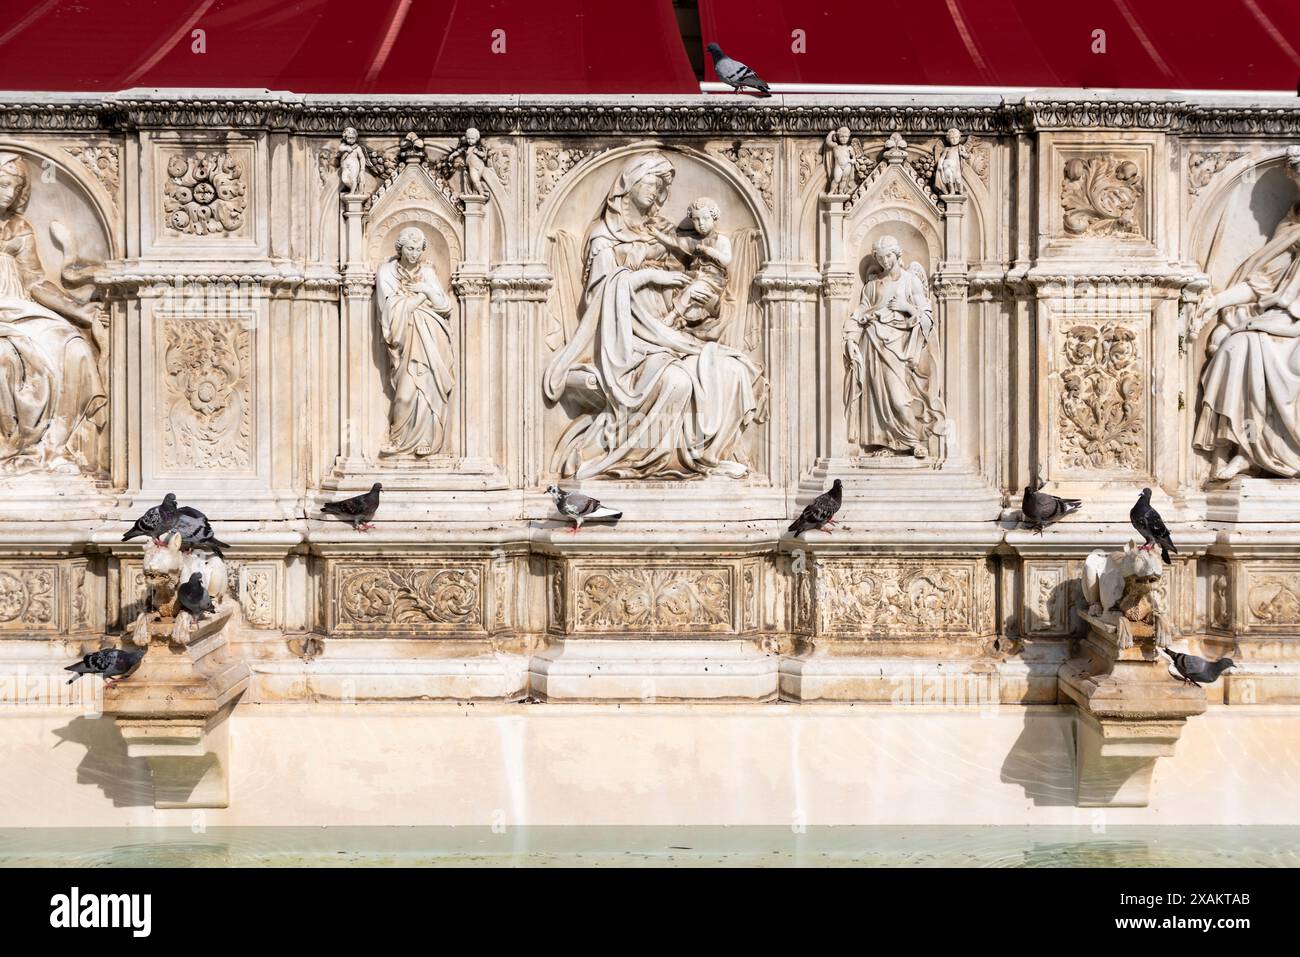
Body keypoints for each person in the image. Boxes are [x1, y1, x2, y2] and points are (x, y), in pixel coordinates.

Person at [543, 151, 765, 479]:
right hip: (626, 340)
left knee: (733, 370)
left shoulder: (662, 232)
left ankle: (710, 456)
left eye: (661, 184)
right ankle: (655, 459)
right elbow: (600, 299)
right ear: (628, 184)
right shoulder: (602, 237)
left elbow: (695, 283)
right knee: (675, 380)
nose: (657, 188)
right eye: (651, 180)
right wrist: (649, 276)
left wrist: (704, 304)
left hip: (672, 332)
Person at [1193, 146, 1300, 480]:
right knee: (1234, 345)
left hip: (1289, 324)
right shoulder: (1294, 223)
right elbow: (1262, 281)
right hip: (1285, 318)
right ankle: (1246, 449)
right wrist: (1216, 302)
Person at [0, 152, 106, 472]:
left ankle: (55, 444)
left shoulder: (19, 227)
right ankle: (13, 444)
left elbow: (35, 282)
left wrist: (81, 313)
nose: (6, 192)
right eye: (1, 183)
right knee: (4, 355)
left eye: (12, 186)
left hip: (17, 307)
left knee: (73, 345)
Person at [843, 235, 945, 458]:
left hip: (900, 347)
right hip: (873, 343)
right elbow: (860, 311)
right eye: (880, 258)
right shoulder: (872, 286)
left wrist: (906, 307)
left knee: (899, 399)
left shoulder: (910, 281)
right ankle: (885, 443)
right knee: (878, 397)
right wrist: (851, 338)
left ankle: (913, 440)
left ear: (897, 254)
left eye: (888, 256)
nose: (885, 262)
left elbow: (926, 315)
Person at [375, 227, 455, 458]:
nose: (413, 254)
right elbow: (389, 309)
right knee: (404, 394)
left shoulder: (428, 273)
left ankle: (428, 438)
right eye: (409, 249)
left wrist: (425, 289)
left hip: (431, 341)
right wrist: (422, 297)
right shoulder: (387, 272)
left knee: (429, 388)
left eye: (418, 249)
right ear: (400, 248)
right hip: (405, 340)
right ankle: (399, 438)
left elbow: (445, 306)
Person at [652, 196, 731, 338]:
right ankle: (680, 321)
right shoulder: (694, 241)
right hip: (696, 277)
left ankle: (672, 316)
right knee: (674, 284)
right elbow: (675, 243)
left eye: (705, 218)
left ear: (714, 217)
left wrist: (709, 251)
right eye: (696, 219)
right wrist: (657, 234)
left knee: (694, 290)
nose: (701, 224)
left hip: (713, 281)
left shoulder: (721, 240)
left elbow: (726, 260)